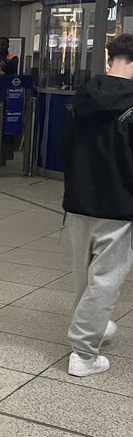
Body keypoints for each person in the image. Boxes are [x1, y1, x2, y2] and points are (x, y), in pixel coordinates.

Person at [62, 33, 133, 377]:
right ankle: (83, 354)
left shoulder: (84, 96)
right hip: (119, 203)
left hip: (79, 200)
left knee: (85, 275)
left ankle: (95, 325)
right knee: (106, 278)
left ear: (111, 60)